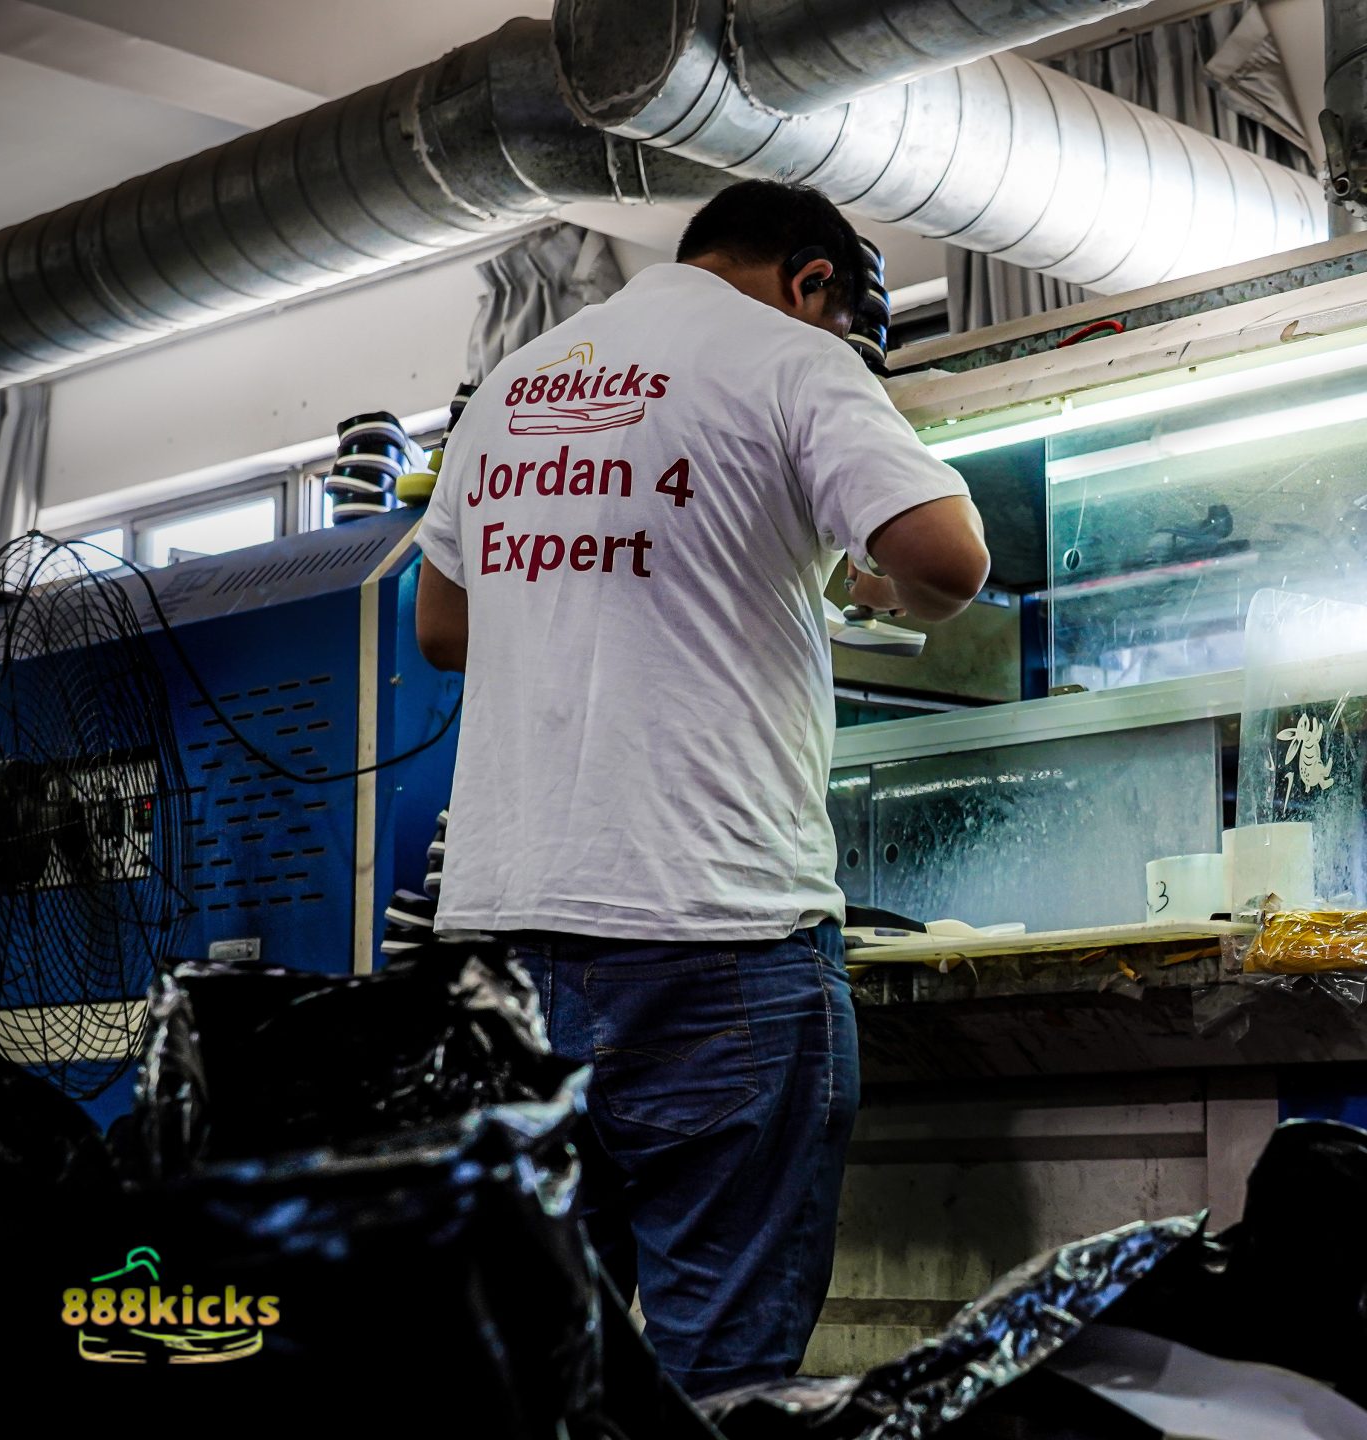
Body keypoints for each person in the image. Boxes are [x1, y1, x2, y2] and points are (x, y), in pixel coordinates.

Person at [412, 180, 988, 1396]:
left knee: (539, 1365)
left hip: (502, 960)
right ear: (813, 281)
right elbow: (950, 558)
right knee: (718, 1379)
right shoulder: (794, 358)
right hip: (708, 933)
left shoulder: (515, 386)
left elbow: (442, 626)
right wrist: (869, 586)